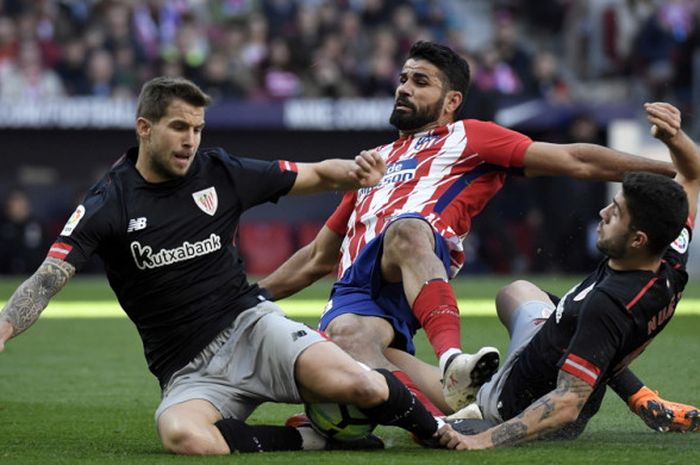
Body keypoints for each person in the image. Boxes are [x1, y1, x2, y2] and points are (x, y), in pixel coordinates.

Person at [0, 76, 444, 455]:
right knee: (183, 435)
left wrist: (356, 170)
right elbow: (47, 279)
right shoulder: (109, 201)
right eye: (178, 127)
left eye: (197, 128)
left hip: (252, 328)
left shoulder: (220, 172)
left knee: (365, 387)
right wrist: (3, 330)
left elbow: (317, 174)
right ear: (144, 128)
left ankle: (441, 430)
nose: (190, 140)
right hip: (187, 369)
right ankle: (313, 440)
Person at [258, 41, 677, 415]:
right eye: (403, 78)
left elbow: (576, 160)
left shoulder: (469, 137)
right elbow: (316, 258)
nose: (405, 87)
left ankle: (451, 359)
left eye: (421, 81)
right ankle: (445, 419)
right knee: (353, 348)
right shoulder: (374, 161)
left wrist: (673, 172)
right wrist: (248, 298)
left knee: (405, 229)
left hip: (415, 255)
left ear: (451, 100)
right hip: (356, 293)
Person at [437, 102, 700, 450]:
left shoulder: (608, 305)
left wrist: (483, 440)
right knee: (515, 291)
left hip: (511, 401)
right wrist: (676, 137)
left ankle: (477, 400)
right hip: (548, 339)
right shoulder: (670, 254)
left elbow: (566, 405)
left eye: (616, 213)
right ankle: (642, 395)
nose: (604, 212)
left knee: (386, 367)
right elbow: (693, 175)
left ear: (638, 239)